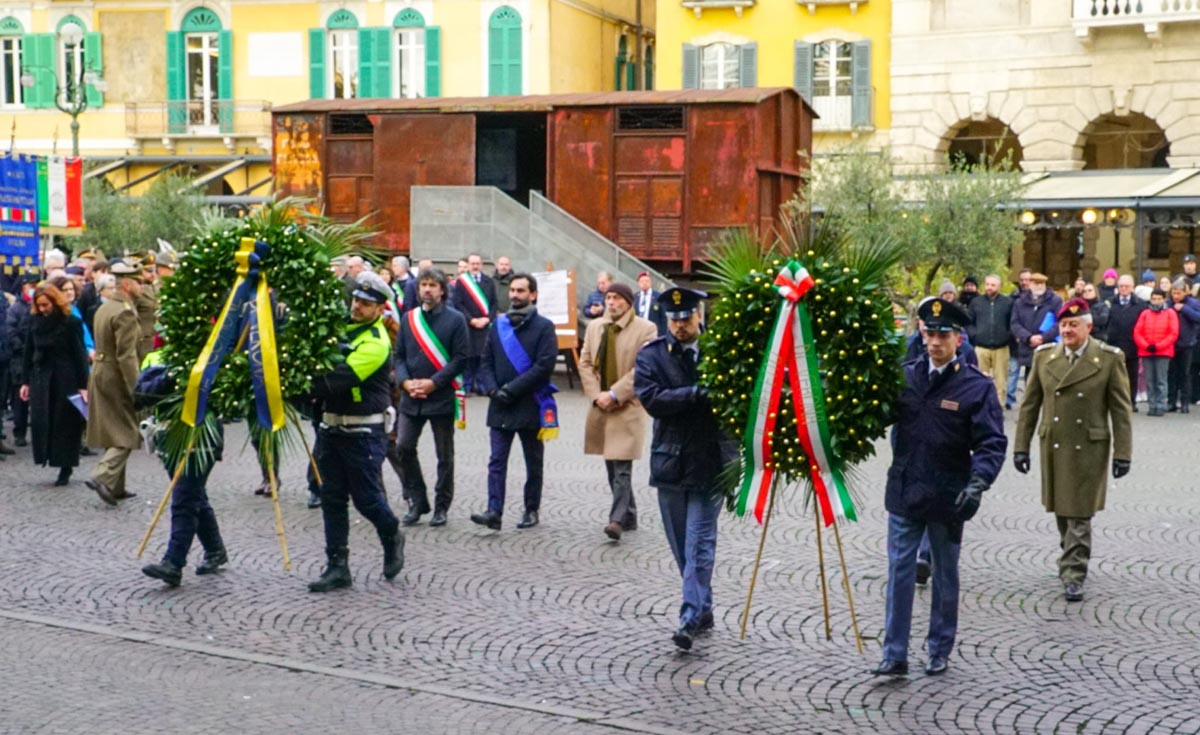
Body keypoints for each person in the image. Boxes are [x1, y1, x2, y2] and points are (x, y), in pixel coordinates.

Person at [872, 298, 1006, 678]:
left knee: (945, 576)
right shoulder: (906, 375)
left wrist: (978, 482)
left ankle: (939, 647)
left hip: (950, 495)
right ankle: (894, 653)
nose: (933, 342)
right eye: (928, 333)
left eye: (942, 335)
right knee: (899, 572)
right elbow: (877, 417)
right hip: (905, 490)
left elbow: (991, 442)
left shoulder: (975, 386)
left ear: (958, 338)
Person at [635, 287, 737, 651]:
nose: (679, 326)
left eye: (686, 318)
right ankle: (704, 605)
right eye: (673, 320)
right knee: (681, 545)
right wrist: (696, 394)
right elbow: (651, 399)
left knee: (699, 544)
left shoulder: (722, 352)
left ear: (699, 316)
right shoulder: (651, 355)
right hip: (671, 462)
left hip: (711, 462)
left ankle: (689, 616)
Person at [1014, 298, 1132, 602]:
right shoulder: (1043, 357)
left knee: (1079, 513)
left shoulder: (1107, 358)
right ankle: (1070, 554)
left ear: (1088, 327)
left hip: (1089, 447)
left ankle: (1073, 573)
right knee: (1063, 512)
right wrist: (1021, 447)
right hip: (1054, 443)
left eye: (1073, 325)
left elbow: (1121, 410)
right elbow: (1029, 406)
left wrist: (1123, 453)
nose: (1067, 330)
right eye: (1064, 324)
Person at [307, 272, 407, 592]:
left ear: (379, 309)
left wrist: (294, 381)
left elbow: (337, 379)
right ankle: (338, 567)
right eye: (356, 301)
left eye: (366, 304)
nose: (357, 307)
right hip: (331, 428)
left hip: (363, 432)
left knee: (366, 500)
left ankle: (391, 532)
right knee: (332, 498)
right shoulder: (339, 331)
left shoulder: (375, 343)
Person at [469, 273, 558, 531]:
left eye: (521, 291)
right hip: (500, 404)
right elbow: (485, 362)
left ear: (533, 294)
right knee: (497, 460)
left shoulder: (544, 326)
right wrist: (493, 390)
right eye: (512, 290)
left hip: (530, 402)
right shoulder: (498, 326)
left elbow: (544, 366)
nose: (515, 295)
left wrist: (512, 390)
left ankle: (531, 509)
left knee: (533, 461)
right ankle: (493, 511)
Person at [578, 281, 658, 541]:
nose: (611, 302)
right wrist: (597, 395)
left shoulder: (646, 329)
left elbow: (644, 369)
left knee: (622, 465)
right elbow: (586, 363)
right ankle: (630, 513)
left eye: (616, 298)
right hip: (601, 405)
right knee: (611, 464)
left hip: (627, 405)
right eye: (608, 297)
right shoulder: (595, 327)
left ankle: (616, 520)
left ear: (628, 301)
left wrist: (615, 394)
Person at [137, 364, 230, 587]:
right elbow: (140, 394)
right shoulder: (165, 360)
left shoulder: (217, 360)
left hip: (202, 439)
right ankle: (215, 549)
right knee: (194, 496)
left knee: (185, 500)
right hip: (170, 438)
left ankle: (173, 562)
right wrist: (171, 375)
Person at [394, 267, 469, 527]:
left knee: (444, 456)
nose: (427, 289)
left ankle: (441, 506)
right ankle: (418, 500)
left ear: (442, 290)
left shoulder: (456, 319)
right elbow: (399, 355)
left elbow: (461, 358)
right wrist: (404, 382)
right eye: (423, 285)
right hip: (411, 397)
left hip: (441, 397)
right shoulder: (409, 319)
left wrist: (434, 383)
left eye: (432, 285)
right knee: (403, 447)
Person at [83, 261, 144, 506]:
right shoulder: (125, 312)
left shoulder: (105, 308)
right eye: (139, 282)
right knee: (128, 431)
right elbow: (126, 355)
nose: (143, 286)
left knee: (113, 427)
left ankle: (117, 486)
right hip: (116, 374)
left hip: (99, 370)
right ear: (128, 285)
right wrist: (136, 387)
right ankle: (103, 476)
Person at [20, 284, 89, 487]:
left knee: (64, 423)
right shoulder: (34, 322)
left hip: (65, 378)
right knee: (43, 420)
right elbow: (28, 352)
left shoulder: (71, 323)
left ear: (54, 301)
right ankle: (47, 456)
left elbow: (80, 355)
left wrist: (83, 385)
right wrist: (25, 381)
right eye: (39, 305)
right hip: (41, 377)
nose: (42, 309)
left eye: (45, 305)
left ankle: (65, 466)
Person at [1011, 272, 1062, 402]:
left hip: (1048, 347)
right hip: (1028, 348)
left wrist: (1043, 338)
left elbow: (1059, 323)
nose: (1039, 286)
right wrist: (1028, 338)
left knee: (1050, 384)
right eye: (1036, 283)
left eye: (1042, 283)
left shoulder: (1055, 300)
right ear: (1030, 284)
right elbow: (1015, 324)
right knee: (1030, 386)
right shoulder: (1020, 302)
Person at [451, 253, 498, 395]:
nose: (475, 266)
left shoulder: (489, 281)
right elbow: (458, 303)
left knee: (483, 356)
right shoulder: (462, 282)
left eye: (478, 263)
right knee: (468, 356)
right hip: (468, 325)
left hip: (485, 325)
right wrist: (471, 319)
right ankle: (467, 385)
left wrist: (488, 319)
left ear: (482, 264)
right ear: (469, 265)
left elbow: (494, 304)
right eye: (472, 264)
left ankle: (482, 386)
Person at [967, 274, 1014, 405]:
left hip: (1001, 347)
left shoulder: (1008, 303)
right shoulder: (976, 302)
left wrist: (1007, 336)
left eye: (993, 285)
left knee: (1001, 382)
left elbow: (1013, 322)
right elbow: (969, 322)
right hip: (981, 347)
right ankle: (981, 407)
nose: (989, 288)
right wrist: (974, 335)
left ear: (999, 286)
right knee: (979, 380)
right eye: (987, 284)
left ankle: (999, 409)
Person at [1133, 288, 1179, 416]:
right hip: (1146, 351)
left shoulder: (1170, 313)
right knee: (1150, 380)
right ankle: (1152, 405)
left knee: (1161, 380)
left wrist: (1158, 346)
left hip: (1163, 352)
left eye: (1159, 299)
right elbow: (1137, 332)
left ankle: (1160, 405)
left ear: (1164, 299)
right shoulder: (1145, 313)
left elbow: (1173, 333)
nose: (1156, 301)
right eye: (1154, 299)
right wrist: (1146, 345)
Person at [6, 273, 38, 447]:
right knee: (20, 399)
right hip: (19, 359)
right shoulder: (16, 309)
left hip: (36, 358)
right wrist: (21, 347)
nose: (34, 288)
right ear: (24, 287)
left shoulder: (39, 305)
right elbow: (10, 331)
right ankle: (19, 432)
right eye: (31, 285)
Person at [1106, 275, 1145, 412]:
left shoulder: (1140, 304)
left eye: (1126, 286)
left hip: (1132, 345)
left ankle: (1131, 402)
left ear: (1132, 288)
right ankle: (1114, 403)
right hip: (1114, 344)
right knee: (1113, 377)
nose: (1123, 289)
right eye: (1121, 286)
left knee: (1131, 376)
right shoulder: (1110, 303)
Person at [1167, 279, 1200, 413]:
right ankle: (1172, 401)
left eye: (1178, 293)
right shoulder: (1168, 303)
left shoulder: (1193, 303)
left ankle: (1185, 403)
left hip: (1187, 343)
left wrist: (1184, 309)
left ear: (1185, 293)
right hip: (1171, 343)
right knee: (1171, 374)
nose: (1175, 296)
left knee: (1185, 374)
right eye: (1173, 293)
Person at [1005, 268, 1033, 408]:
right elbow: (1009, 319)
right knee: (1013, 371)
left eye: (1027, 280)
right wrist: (1015, 334)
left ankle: (1029, 401)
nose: (1024, 283)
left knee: (1031, 373)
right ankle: (1009, 399)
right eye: (1022, 280)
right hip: (1015, 340)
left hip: (1031, 340)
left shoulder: (1037, 298)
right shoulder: (1012, 298)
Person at [579, 271, 612, 339]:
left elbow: (617, 310)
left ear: (610, 282)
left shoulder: (616, 294)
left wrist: (603, 309)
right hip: (596, 328)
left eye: (603, 283)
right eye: (599, 283)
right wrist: (590, 311)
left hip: (611, 327)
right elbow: (585, 310)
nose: (601, 286)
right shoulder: (592, 295)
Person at [634, 271, 667, 336]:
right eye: (642, 281)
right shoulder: (634, 297)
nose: (644, 283)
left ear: (651, 283)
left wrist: (662, 335)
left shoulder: (658, 296)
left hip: (653, 332)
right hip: (638, 332)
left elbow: (663, 318)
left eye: (647, 281)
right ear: (638, 283)